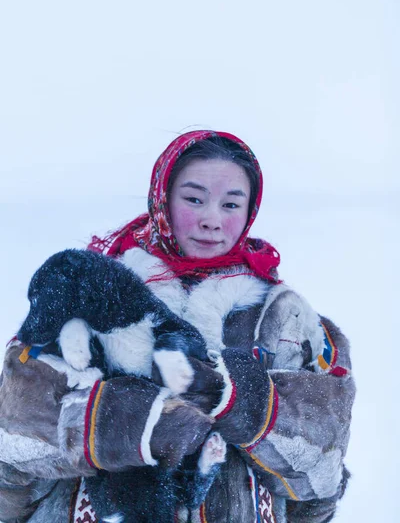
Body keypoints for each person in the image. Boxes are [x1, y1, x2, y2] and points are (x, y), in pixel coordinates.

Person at [0, 130, 355, 523]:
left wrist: (243, 399)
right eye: (194, 199)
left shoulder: (285, 316)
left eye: (231, 203)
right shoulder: (92, 287)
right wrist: (123, 421)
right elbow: (14, 432)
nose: (212, 220)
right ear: (163, 197)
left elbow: (323, 468)